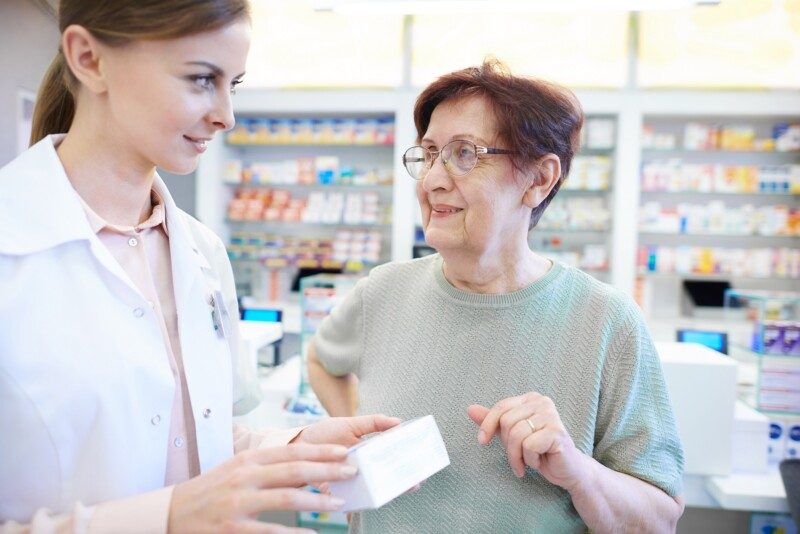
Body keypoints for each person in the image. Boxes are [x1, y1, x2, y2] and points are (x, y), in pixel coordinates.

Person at [0, 2, 400, 532]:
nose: (226, 115)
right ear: (89, 59)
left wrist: (298, 445)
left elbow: (194, 437)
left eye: (232, 83)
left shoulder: (201, 251)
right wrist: (163, 518)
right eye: (200, 79)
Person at [308, 60, 685, 533]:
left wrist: (578, 471)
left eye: (465, 154)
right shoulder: (383, 291)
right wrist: (363, 444)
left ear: (539, 179)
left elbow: (660, 519)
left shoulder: (606, 322)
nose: (431, 181)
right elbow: (322, 359)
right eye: (428, 154)